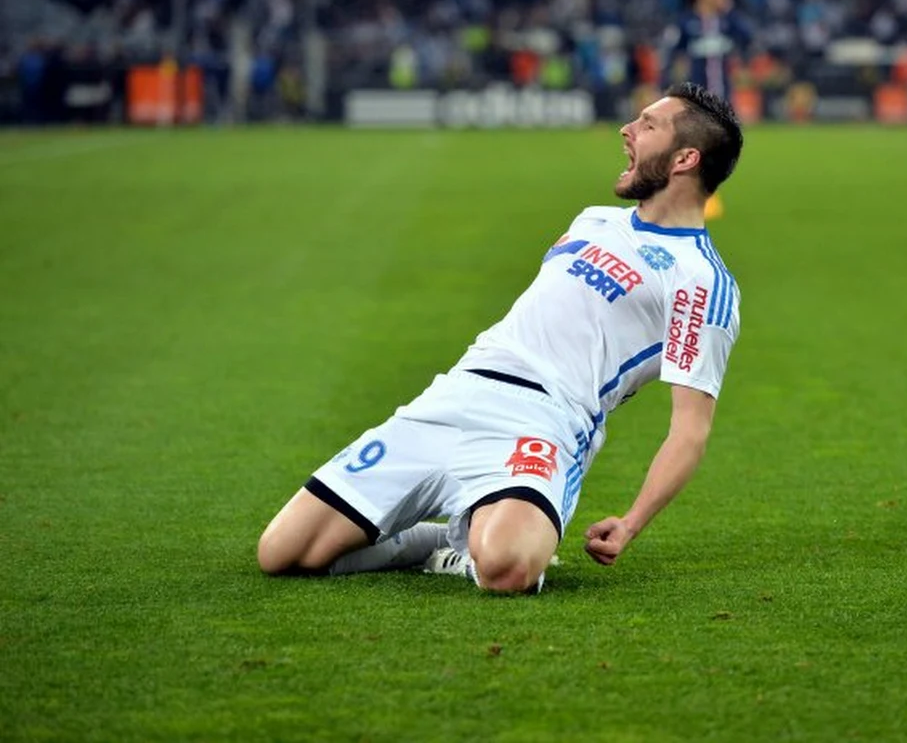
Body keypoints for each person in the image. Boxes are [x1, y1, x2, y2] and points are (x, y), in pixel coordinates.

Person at [257, 82, 743, 594]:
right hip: (457, 392)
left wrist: (631, 521)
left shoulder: (702, 282)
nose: (627, 129)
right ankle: (429, 541)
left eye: (648, 125)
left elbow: (690, 429)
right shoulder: (592, 220)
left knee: (506, 570)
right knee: (283, 553)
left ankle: (478, 543)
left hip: (546, 419)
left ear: (686, 157)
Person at [663, 0, 752, 220]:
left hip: (723, 97)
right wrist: (664, 90)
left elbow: (748, 35)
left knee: (718, 148)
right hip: (695, 99)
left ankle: (698, 194)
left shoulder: (727, 22)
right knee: (697, 147)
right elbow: (669, 55)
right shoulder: (686, 22)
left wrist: (730, 9)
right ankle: (698, 196)